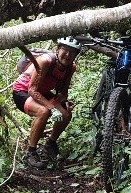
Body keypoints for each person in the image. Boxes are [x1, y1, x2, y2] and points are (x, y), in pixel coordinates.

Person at [11, 37, 81, 168]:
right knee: (43, 111)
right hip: (22, 91)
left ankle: (50, 144)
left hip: (42, 93)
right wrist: (51, 107)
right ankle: (30, 153)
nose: (68, 54)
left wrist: (63, 102)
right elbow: (32, 90)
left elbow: (63, 91)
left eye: (72, 52)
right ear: (58, 49)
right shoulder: (46, 61)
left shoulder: (70, 68)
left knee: (66, 114)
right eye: (65, 50)